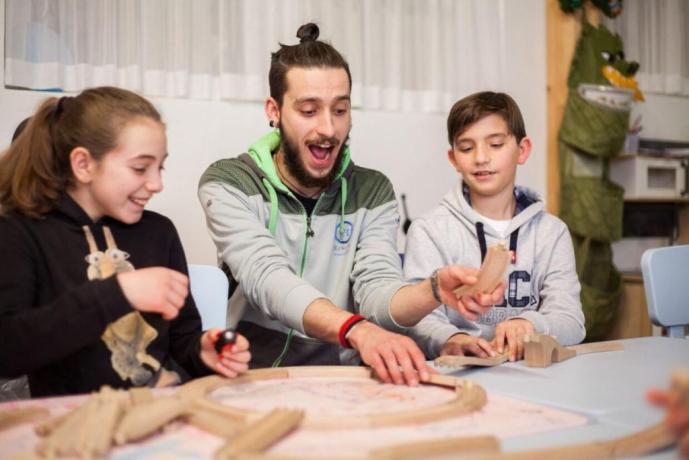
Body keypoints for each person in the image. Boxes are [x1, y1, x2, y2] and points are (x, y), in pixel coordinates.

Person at [198, 24, 502, 386]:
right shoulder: (228, 182)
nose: (328, 128)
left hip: (343, 380)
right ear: (274, 111)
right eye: (309, 110)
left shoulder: (372, 191)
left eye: (340, 110)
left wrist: (433, 291)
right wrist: (356, 330)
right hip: (252, 376)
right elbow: (268, 278)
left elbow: (377, 291)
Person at [0, 87, 250, 397]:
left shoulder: (159, 233)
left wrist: (203, 352)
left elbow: (182, 338)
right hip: (75, 424)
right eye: (140, 168)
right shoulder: (22, 232)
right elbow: (9, 350)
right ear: (83, 164)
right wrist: (119, 292)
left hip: (156, 406)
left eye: (160, 167)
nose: (157, 184)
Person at [404, 91, 585, 362]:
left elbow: (571, 320)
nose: (480, 158)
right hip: (460, 376)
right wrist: (452, 339)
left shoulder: (552, 232)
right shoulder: (429, 231)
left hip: (532, 376)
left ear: (522, 150)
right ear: (453, 159)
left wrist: (530, 324)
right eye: (467, 148)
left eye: (496, 144)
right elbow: (416, 319)